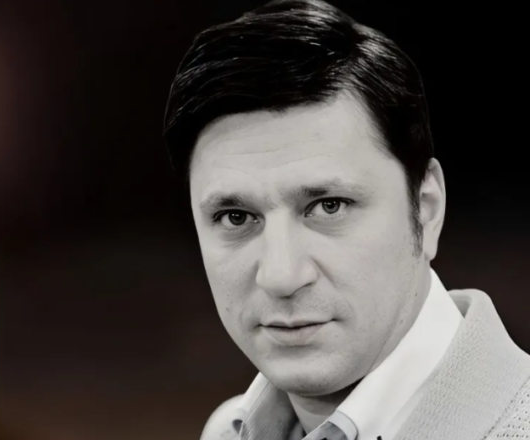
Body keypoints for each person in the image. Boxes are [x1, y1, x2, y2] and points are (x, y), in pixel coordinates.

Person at [161, 0, 530, 439]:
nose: (281, 276)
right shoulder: (227, 431)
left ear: (426, 207)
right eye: (235, 216)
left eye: (329, 206)